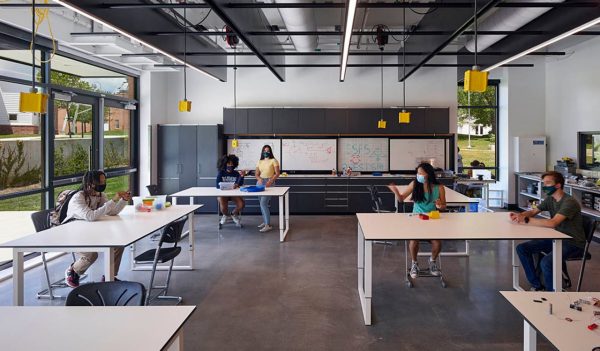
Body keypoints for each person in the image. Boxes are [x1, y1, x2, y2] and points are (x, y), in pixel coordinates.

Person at [511, 171, 586, 291]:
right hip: (557, 238)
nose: (545, 186)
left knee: (546, 262)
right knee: (522, 248)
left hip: (573, 243)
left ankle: (553, 295)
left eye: (548, 183)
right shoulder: (550, 199)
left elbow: (553, 223)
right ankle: (537, 285)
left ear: (558, 185)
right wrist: (520, 215)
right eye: (544, 183)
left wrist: (526, 220)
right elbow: (534, 212)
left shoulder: (569, 202)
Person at [64, 170, 131, 288]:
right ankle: (73, 271)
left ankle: (110, 276)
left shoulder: (100, 195)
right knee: (91, 255)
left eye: (104, 181)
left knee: (117, 246)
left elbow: (112, 211)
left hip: (90, 232)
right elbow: (91, 216)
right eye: (100, 182)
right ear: (90, 183)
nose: (103, 184)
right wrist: (113, 200)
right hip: (72, 234)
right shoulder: (78, 197)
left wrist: (123, 200)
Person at [388, 162, 447, 279]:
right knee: (414, 241)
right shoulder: (415, 184)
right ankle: (414, 263)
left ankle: (432, 261)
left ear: (428, 174)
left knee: (437, 243)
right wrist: (395, 191)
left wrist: (440, 205)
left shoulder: (439, 188)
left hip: (431, 219)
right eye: (417, 173)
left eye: (420, 173)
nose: (418, 175)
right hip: (416, 218)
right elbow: (401, 199)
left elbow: (444, 206)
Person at [255, 144, 280, 233]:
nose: (266, 152)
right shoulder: (259, 161)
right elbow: (256, 174)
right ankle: (265, 221)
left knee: (263, 203)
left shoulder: (274, 160)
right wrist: (259, 179)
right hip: (260, 183)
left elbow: (277, 173)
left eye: (268, 151)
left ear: (270, 152)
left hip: (270, 182)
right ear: (262, 152)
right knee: (261, 204)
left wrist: (271, 181)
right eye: (265, 151)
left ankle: (267, 225)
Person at [216, 154, 245, 225]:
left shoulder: (236, 173)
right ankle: (225, 215)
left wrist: (241, 177)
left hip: (233, 193)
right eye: (228, 163)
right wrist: (226, 186)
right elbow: (217, 185)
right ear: (225, 164)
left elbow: (240, 184)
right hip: (223, 194)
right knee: (223, 208)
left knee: (241, 204)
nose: (230, 165)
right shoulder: (221, 173)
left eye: (232, 164)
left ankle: (233, 214)